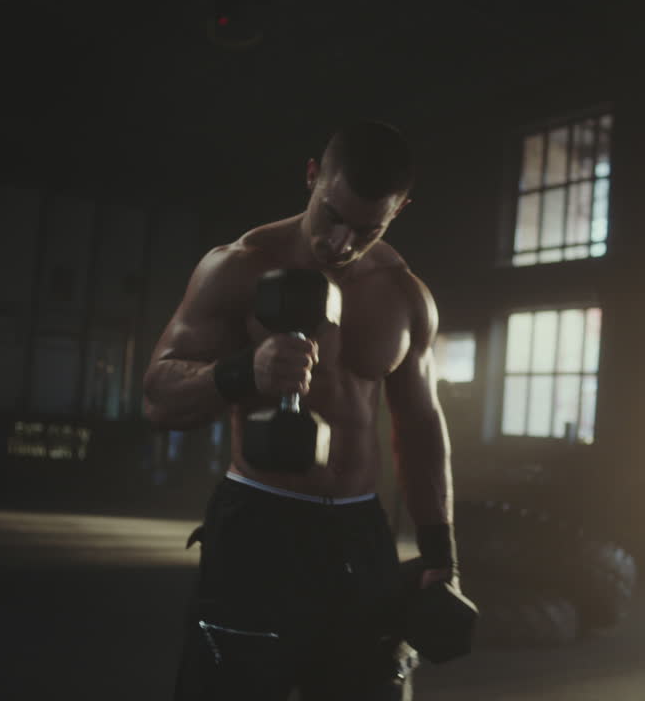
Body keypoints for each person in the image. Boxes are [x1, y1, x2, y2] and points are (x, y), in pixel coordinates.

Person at [144, 120, 457, 699]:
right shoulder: (239, 265)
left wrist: (442, 554)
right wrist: (243, 372)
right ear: (312, 176)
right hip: (259, 523)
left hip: (359, 532)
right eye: (331, 216)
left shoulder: (404, 293)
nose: (340, 242)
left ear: (399, 210)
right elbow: (157, 397)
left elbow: (419, 426)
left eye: (366, 229)